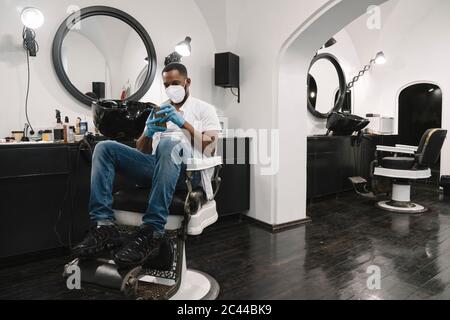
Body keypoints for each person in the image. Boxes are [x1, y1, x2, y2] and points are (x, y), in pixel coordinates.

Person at [74, 63, 221, 268]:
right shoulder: (158, 110)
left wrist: (182, 124)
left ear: (188, 82)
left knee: (170, 143)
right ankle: (104, 226)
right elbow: (142, 151)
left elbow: (211, 148)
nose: (171, 88)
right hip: (158, 169)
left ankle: (152, 229)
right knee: (104, 147)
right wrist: (148, 132)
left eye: (176, 83)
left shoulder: (204, 109)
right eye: (167, 84)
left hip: (188, 174)